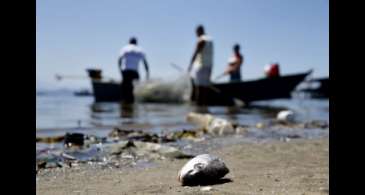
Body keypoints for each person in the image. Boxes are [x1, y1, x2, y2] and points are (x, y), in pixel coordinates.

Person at [118, 37, 150, 103]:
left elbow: (119, 60)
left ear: (129, 42)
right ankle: (133, 104)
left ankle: (124, 104)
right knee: (134, 90)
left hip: (126, 72)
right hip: (135, 72)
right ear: (136, 43)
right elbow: (145, 63)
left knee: (124, 90)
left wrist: (120, 70)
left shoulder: (125, 48)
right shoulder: (140, 50)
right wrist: (147, 73)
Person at [187, 25, 214, 103]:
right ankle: (203, 107)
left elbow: (196, 53)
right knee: (205, 88)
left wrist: (190, 65)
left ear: (199, 31)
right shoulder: (210, 40)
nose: (196, 34)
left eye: (196, 32)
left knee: (198, 88)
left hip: (200, 66)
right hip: (209, 66)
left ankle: (198, 107)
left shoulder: (201, 40)